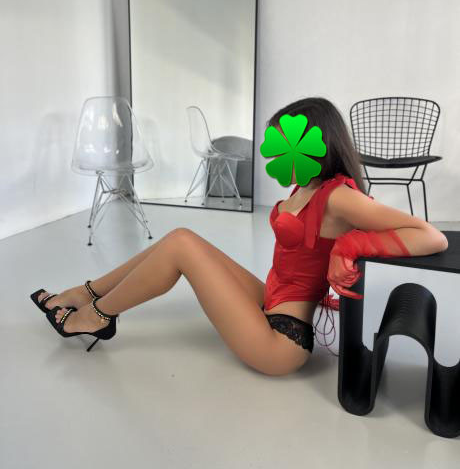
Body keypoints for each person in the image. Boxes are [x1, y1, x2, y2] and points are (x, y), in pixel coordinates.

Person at [32, 97, 448, 376]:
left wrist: (349, 245)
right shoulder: (305, 185)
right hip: (270, 301)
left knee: (181, 245)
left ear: (315, 143)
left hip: (282, 341)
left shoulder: (338, 195)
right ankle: (85, 293)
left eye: (286, 143)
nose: (275, 153)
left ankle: (97, 317)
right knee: (179, 237)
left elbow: (430, 236)